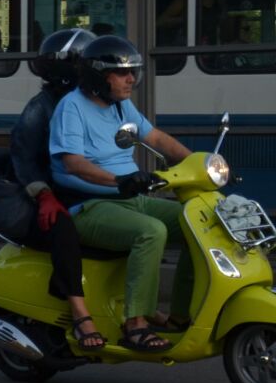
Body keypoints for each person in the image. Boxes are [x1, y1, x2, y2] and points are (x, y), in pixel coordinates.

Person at [48, 35, 194, 353]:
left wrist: (200, 162)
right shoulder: (71, 107)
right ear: (100, 76)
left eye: (133, 72)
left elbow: (156, 137)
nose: (131, 79)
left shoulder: (120, 105)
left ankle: (179, 317)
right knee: (150, 232)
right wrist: (118, 180)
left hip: (126, 197)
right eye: (123, 73)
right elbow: (73, 164)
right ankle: (135, 325)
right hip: (89, 204)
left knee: (196, 222)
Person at [8, 28, 105, 351]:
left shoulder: (93, 103)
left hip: (92, 189)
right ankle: (79, 312)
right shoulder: (42, 107)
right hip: (52, 193)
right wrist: (44, 195)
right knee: (64, 227)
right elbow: (23, 158)